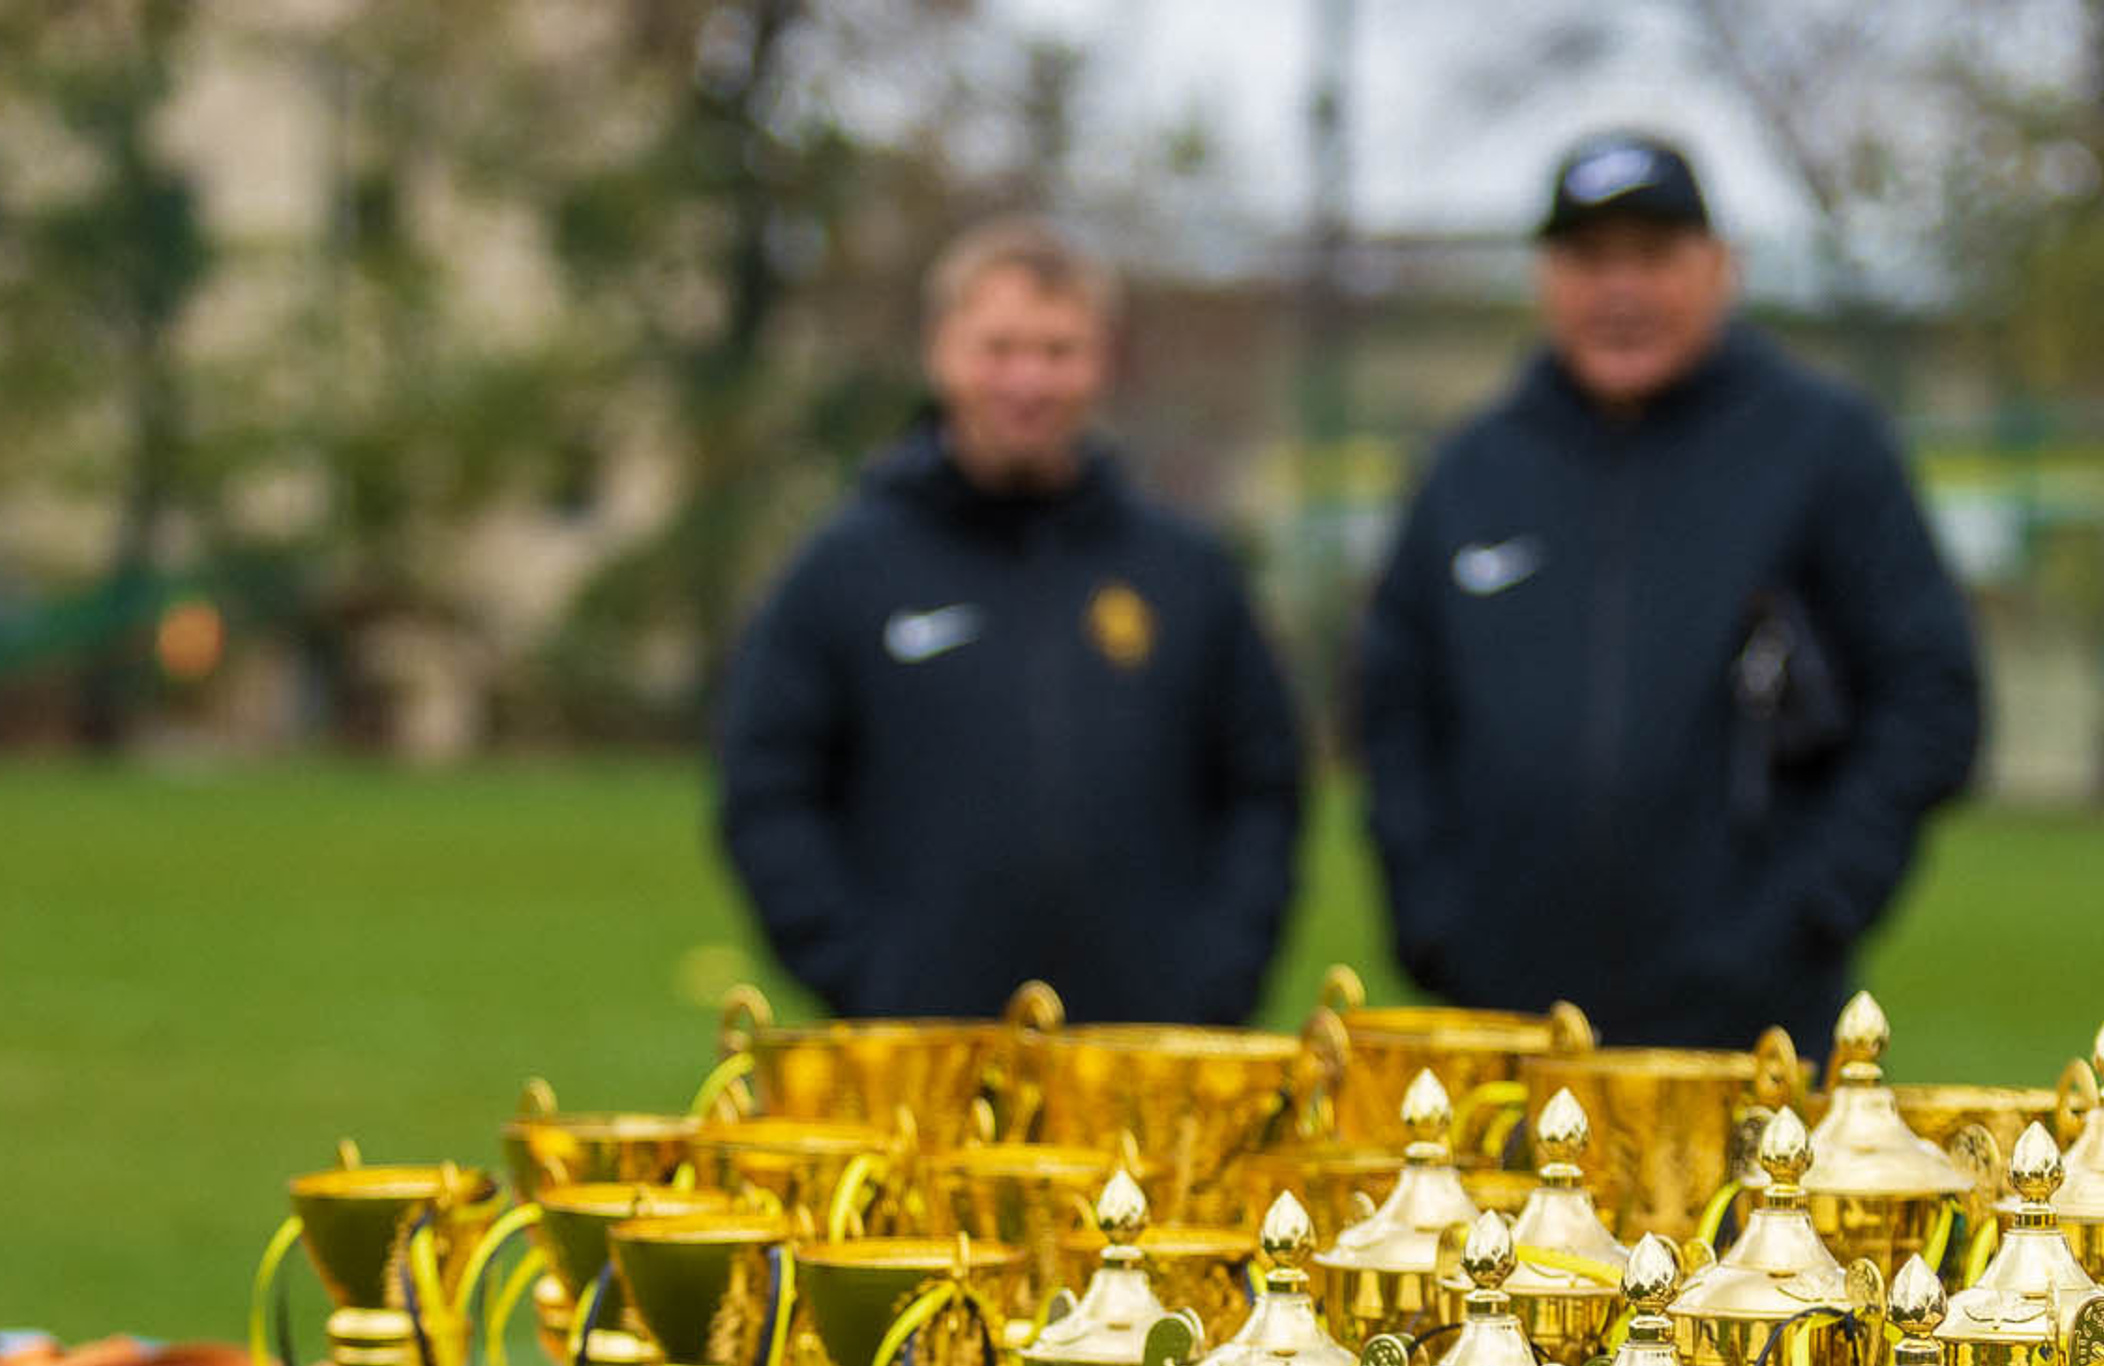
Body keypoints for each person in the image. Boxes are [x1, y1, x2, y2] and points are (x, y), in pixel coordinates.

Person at [1356, 135, 1981, 1053]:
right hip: (1503, 1022)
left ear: (1721, 267)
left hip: (1753, 1031)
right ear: (1545, 279)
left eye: (1653, 257)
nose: (1621, 290)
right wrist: (1436, 919)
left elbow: (1931, 701)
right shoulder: (1470, 470)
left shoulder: (1822, 449)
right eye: (1589, 259)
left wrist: (1807, 915)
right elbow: (1392, 710)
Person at [718, 219, 1302, 1025]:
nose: (1027, 380)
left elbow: (1263, 786)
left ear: (1103, 361)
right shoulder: (846, 570)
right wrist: (865, 972)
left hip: (1144, 1057)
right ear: (940, 352)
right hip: (925, 1059)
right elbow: (767, 789)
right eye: (998, 348)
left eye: (1058, 351)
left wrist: (1216, 972)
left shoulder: (1184, 574)